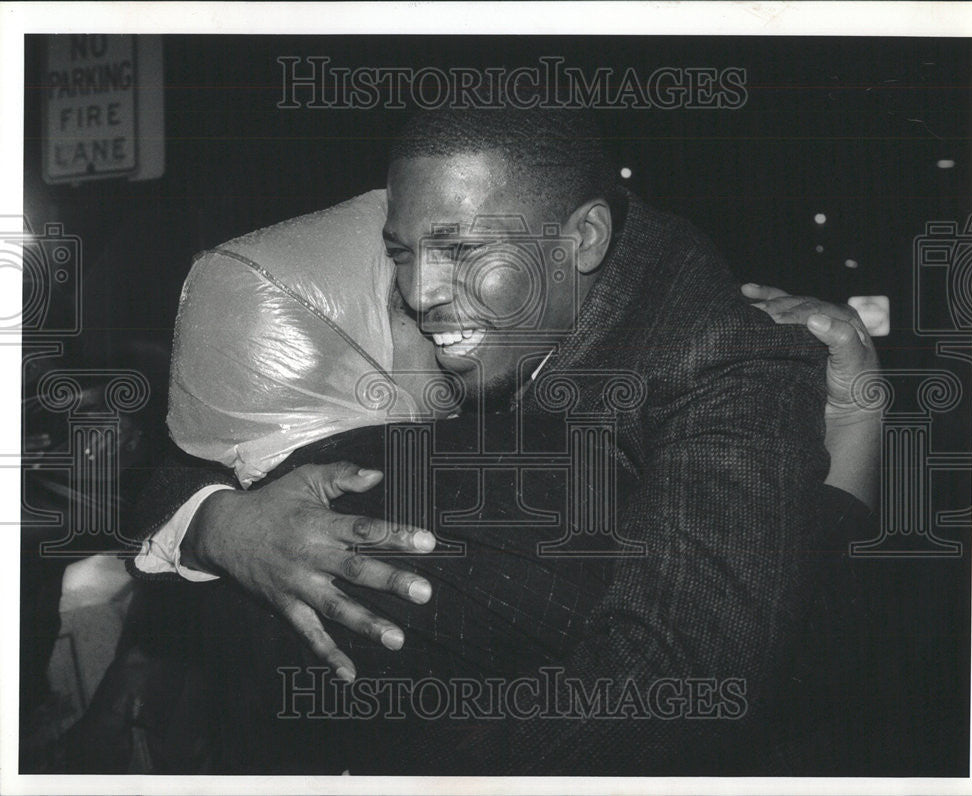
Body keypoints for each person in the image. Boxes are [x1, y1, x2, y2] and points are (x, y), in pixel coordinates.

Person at [127, 108, 881, 774]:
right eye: (400, 251)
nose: (417, 291)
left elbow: (672, 696)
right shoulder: (484, 311)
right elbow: (194, 452)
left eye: (459, 249)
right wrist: (225, 526)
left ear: (582, 238)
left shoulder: (720, 360)